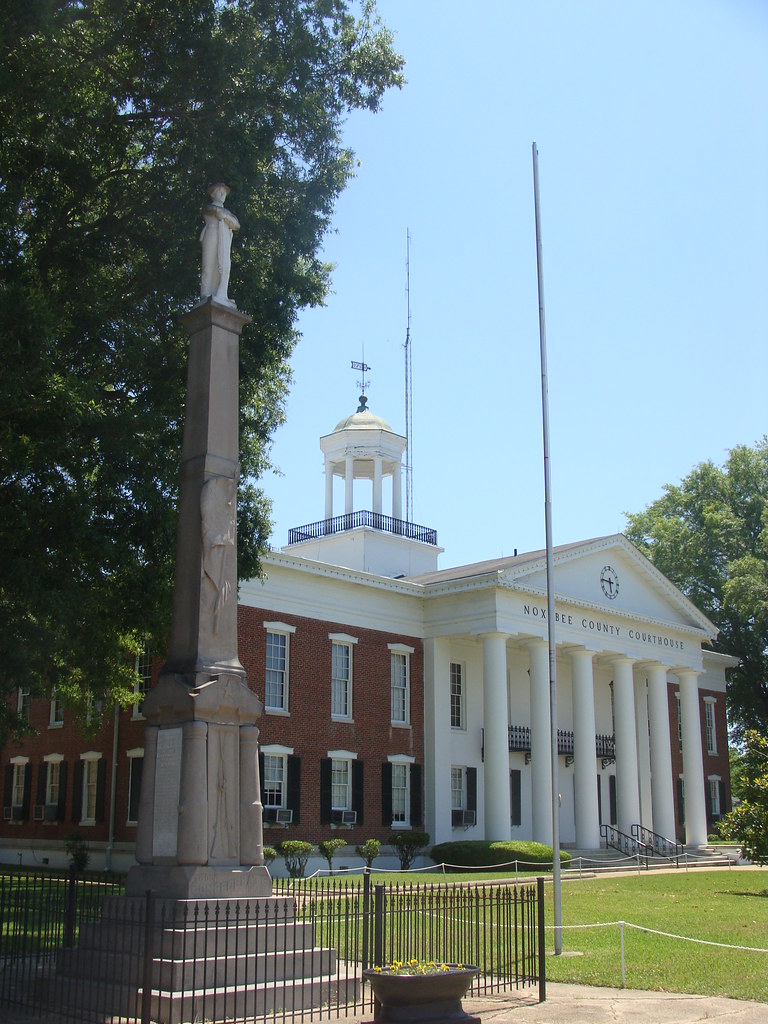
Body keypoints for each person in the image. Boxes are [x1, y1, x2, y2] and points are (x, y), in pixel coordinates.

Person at [199, 183, 240, 306]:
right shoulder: (209, 207)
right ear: (212, 194)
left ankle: (222, 294)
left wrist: (225, 216)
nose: (223, 195)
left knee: (224, 265)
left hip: (225, 238)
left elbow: (236, 224)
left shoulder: (227, 212)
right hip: (212, 233)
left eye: (224, 193)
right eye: (220, 191)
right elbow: (212, 210)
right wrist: (221, 213)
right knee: (209, 264)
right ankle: (206, 293)